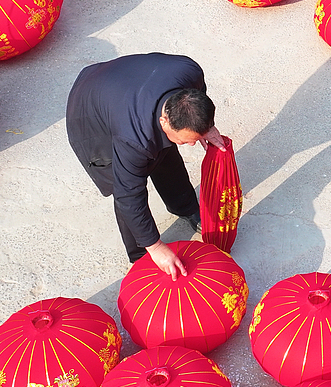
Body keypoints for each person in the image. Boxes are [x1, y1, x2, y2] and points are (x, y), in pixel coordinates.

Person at [66, 53, 226, 280]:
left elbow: (198, 103)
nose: (192, 144)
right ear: (164, 121)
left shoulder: (190, 73)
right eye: (187, 139)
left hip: (127, 83)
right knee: (121, 181)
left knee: (166, 152)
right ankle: (140, 254)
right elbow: (128, 195)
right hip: (90, 111)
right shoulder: (134, 138)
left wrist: (205, 127)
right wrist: (156, 247)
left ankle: (185, 207)